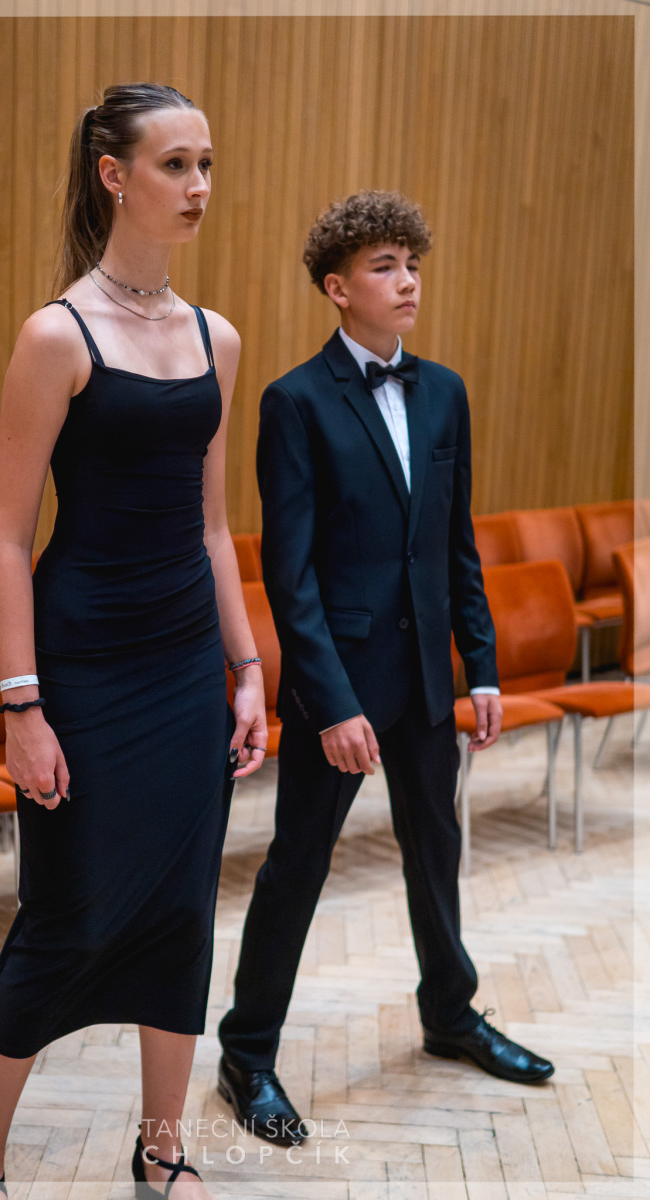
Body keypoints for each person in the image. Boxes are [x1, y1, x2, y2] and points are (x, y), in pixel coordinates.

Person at [0, 83, 267, 1200]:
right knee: (66, 916)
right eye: (175, 164)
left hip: (183, 671)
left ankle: (162, 1150)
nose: (199, 186)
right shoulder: (57, 334)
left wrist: (246, 670)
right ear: (113, 175)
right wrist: (21, 706)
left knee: (180, 914)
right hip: (82, 669)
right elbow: (3, 534)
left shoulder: (217, 339)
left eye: (206, 164)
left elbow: (212, 526)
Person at [217, 190, 554, 1147]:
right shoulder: (294, 402)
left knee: (435, 849)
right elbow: (290, 577)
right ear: (337, 288)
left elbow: (456, 544)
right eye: (383, 267)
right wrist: (330, 704)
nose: (407, 282)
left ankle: (450, 1013)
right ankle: (247, 1055)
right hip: (341, 689)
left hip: (428, 684)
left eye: (412, 264)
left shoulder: (444, 391)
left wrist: (480, 668)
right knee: (298, 864)